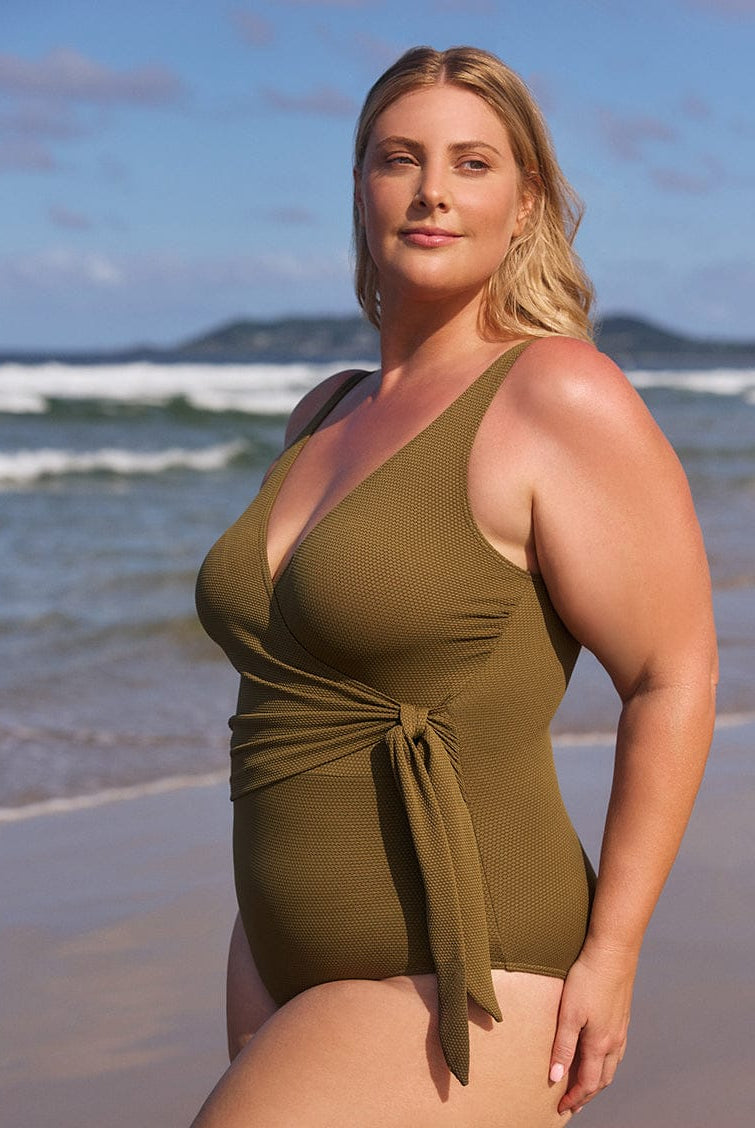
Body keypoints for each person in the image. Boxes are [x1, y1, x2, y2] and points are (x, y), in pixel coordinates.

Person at [192, 45, 717, 1127]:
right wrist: (259, 937)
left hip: (463, 968)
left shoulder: (555, 392)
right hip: (279, 959)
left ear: (524, 205)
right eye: (399, 158)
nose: (431, 189)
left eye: (471, 163)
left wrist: (611, 953)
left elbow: (671, 673)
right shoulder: (323, 412)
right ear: (360, 189)